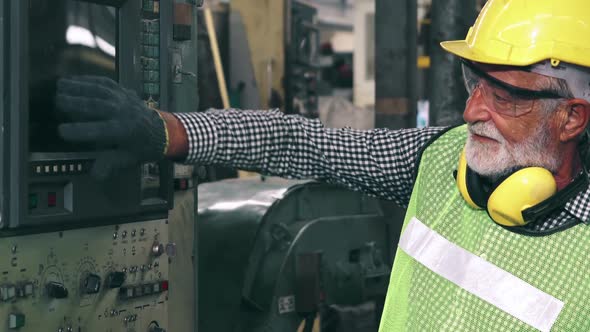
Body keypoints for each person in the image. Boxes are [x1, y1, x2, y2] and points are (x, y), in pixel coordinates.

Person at [56, 0, 590, 330]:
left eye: (507, 97)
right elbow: (300, 142)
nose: (473, 111)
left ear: (571, 117)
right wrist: (168, 130)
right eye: (475, 83)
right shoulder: (438, 159)